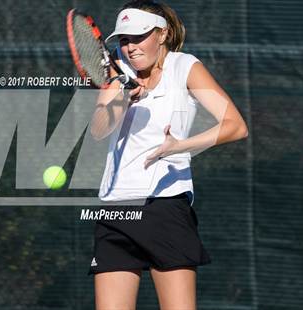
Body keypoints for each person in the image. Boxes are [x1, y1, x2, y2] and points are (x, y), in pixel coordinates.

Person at [88, 1, 249, 309]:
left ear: (161, 34)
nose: (130, 47)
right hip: (113, 210)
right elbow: (98, 130)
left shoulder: (185, 66)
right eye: (124, 39)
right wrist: (120, 98)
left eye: (138, 36)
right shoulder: (117, 70)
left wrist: (180, 146)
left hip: (164, 208)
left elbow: (236, 126)